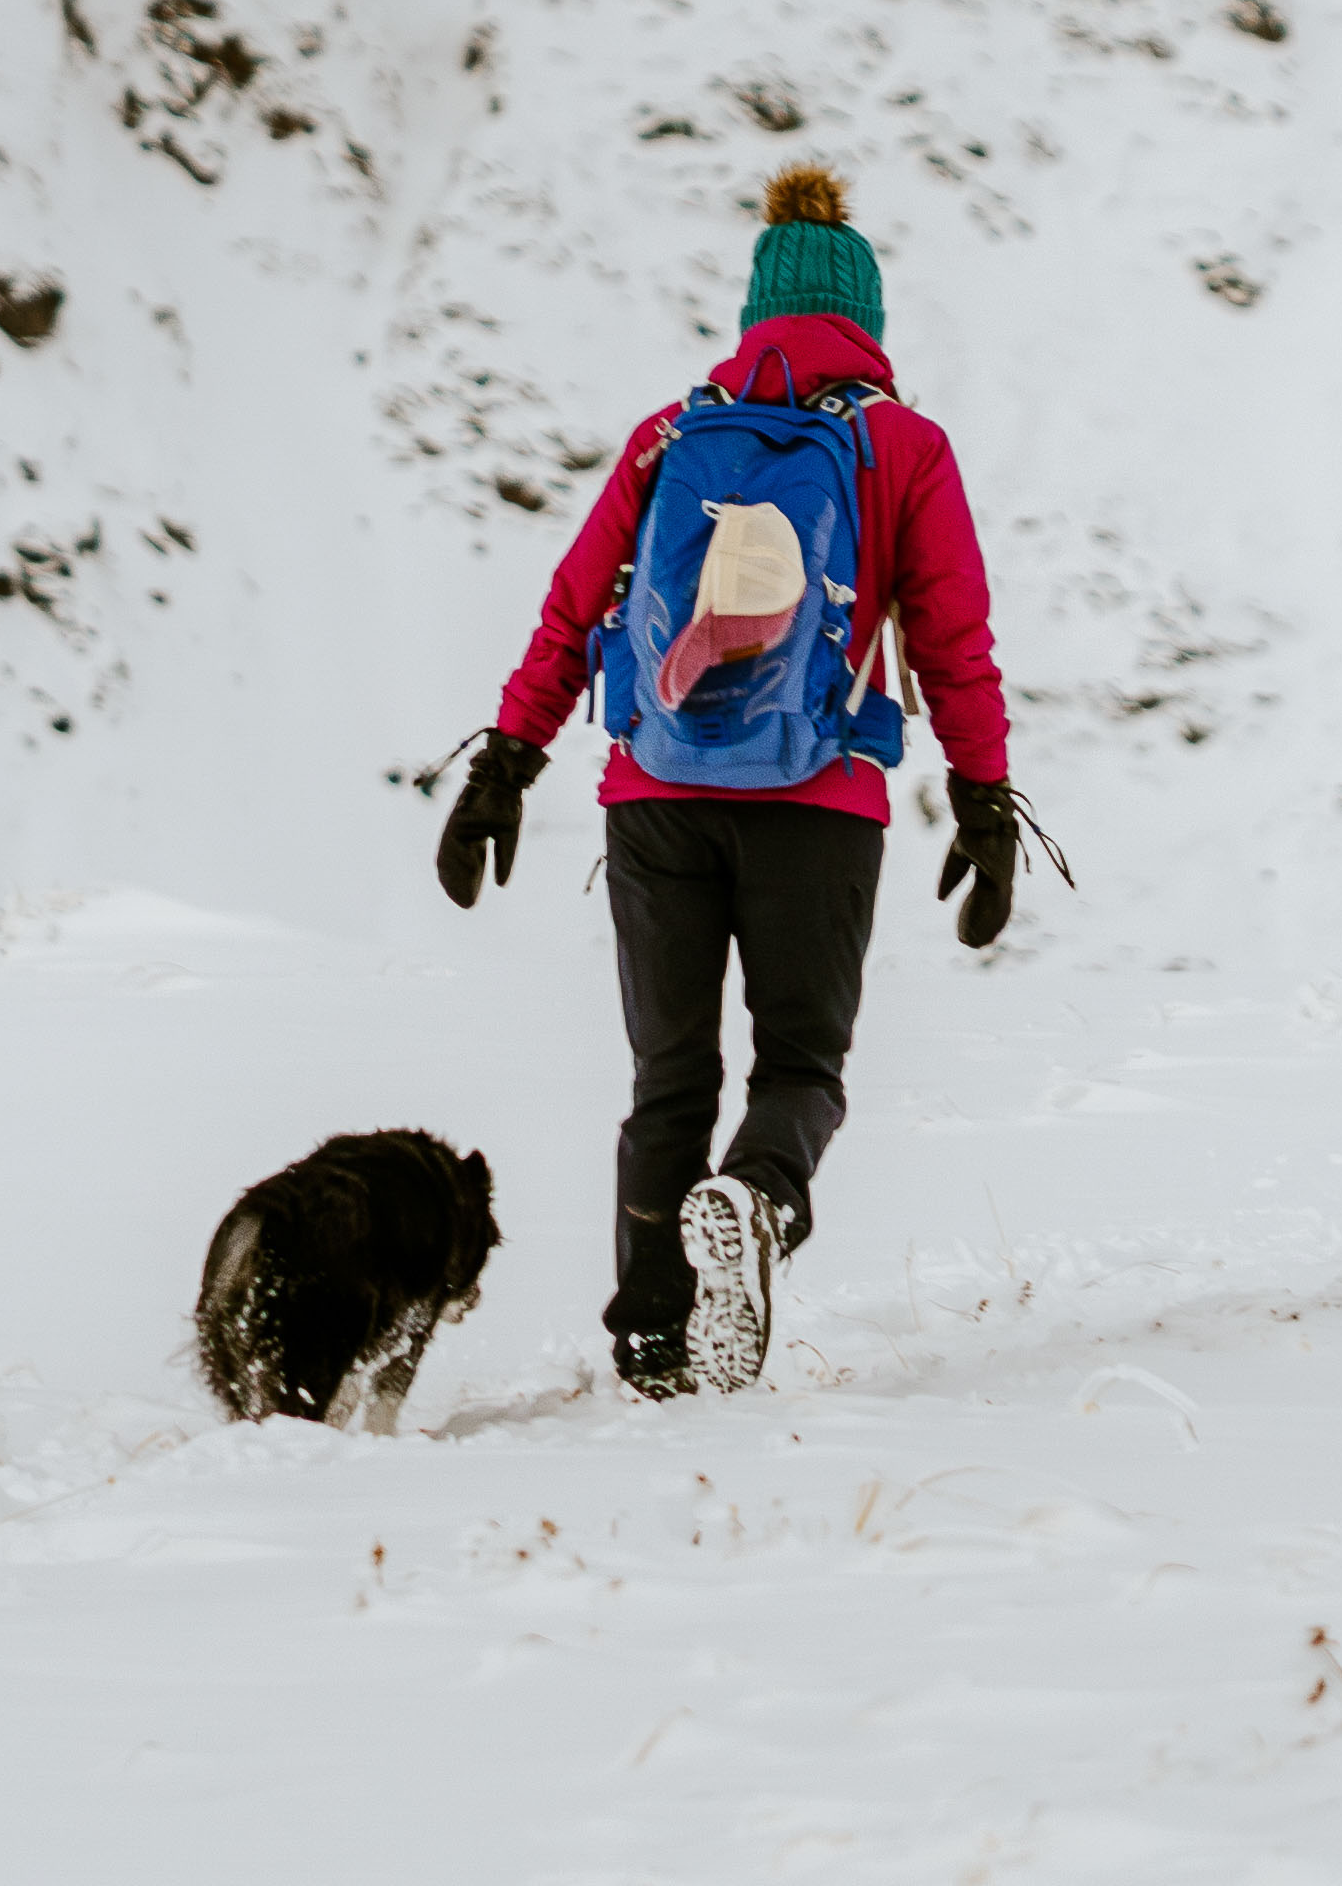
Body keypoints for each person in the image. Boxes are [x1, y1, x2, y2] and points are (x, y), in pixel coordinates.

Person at [433, 162, 1022, 1394]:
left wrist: (506, 762)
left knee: (667, 1080)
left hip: (654, 796)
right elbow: (954, 638)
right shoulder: (900, 443)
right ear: (866, 318)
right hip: (817, 805)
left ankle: (651, 1346)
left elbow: (574, 601)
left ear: (755, 309)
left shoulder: (668, 434)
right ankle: (754, 1200)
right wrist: (982, 798)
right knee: (799, 1068)